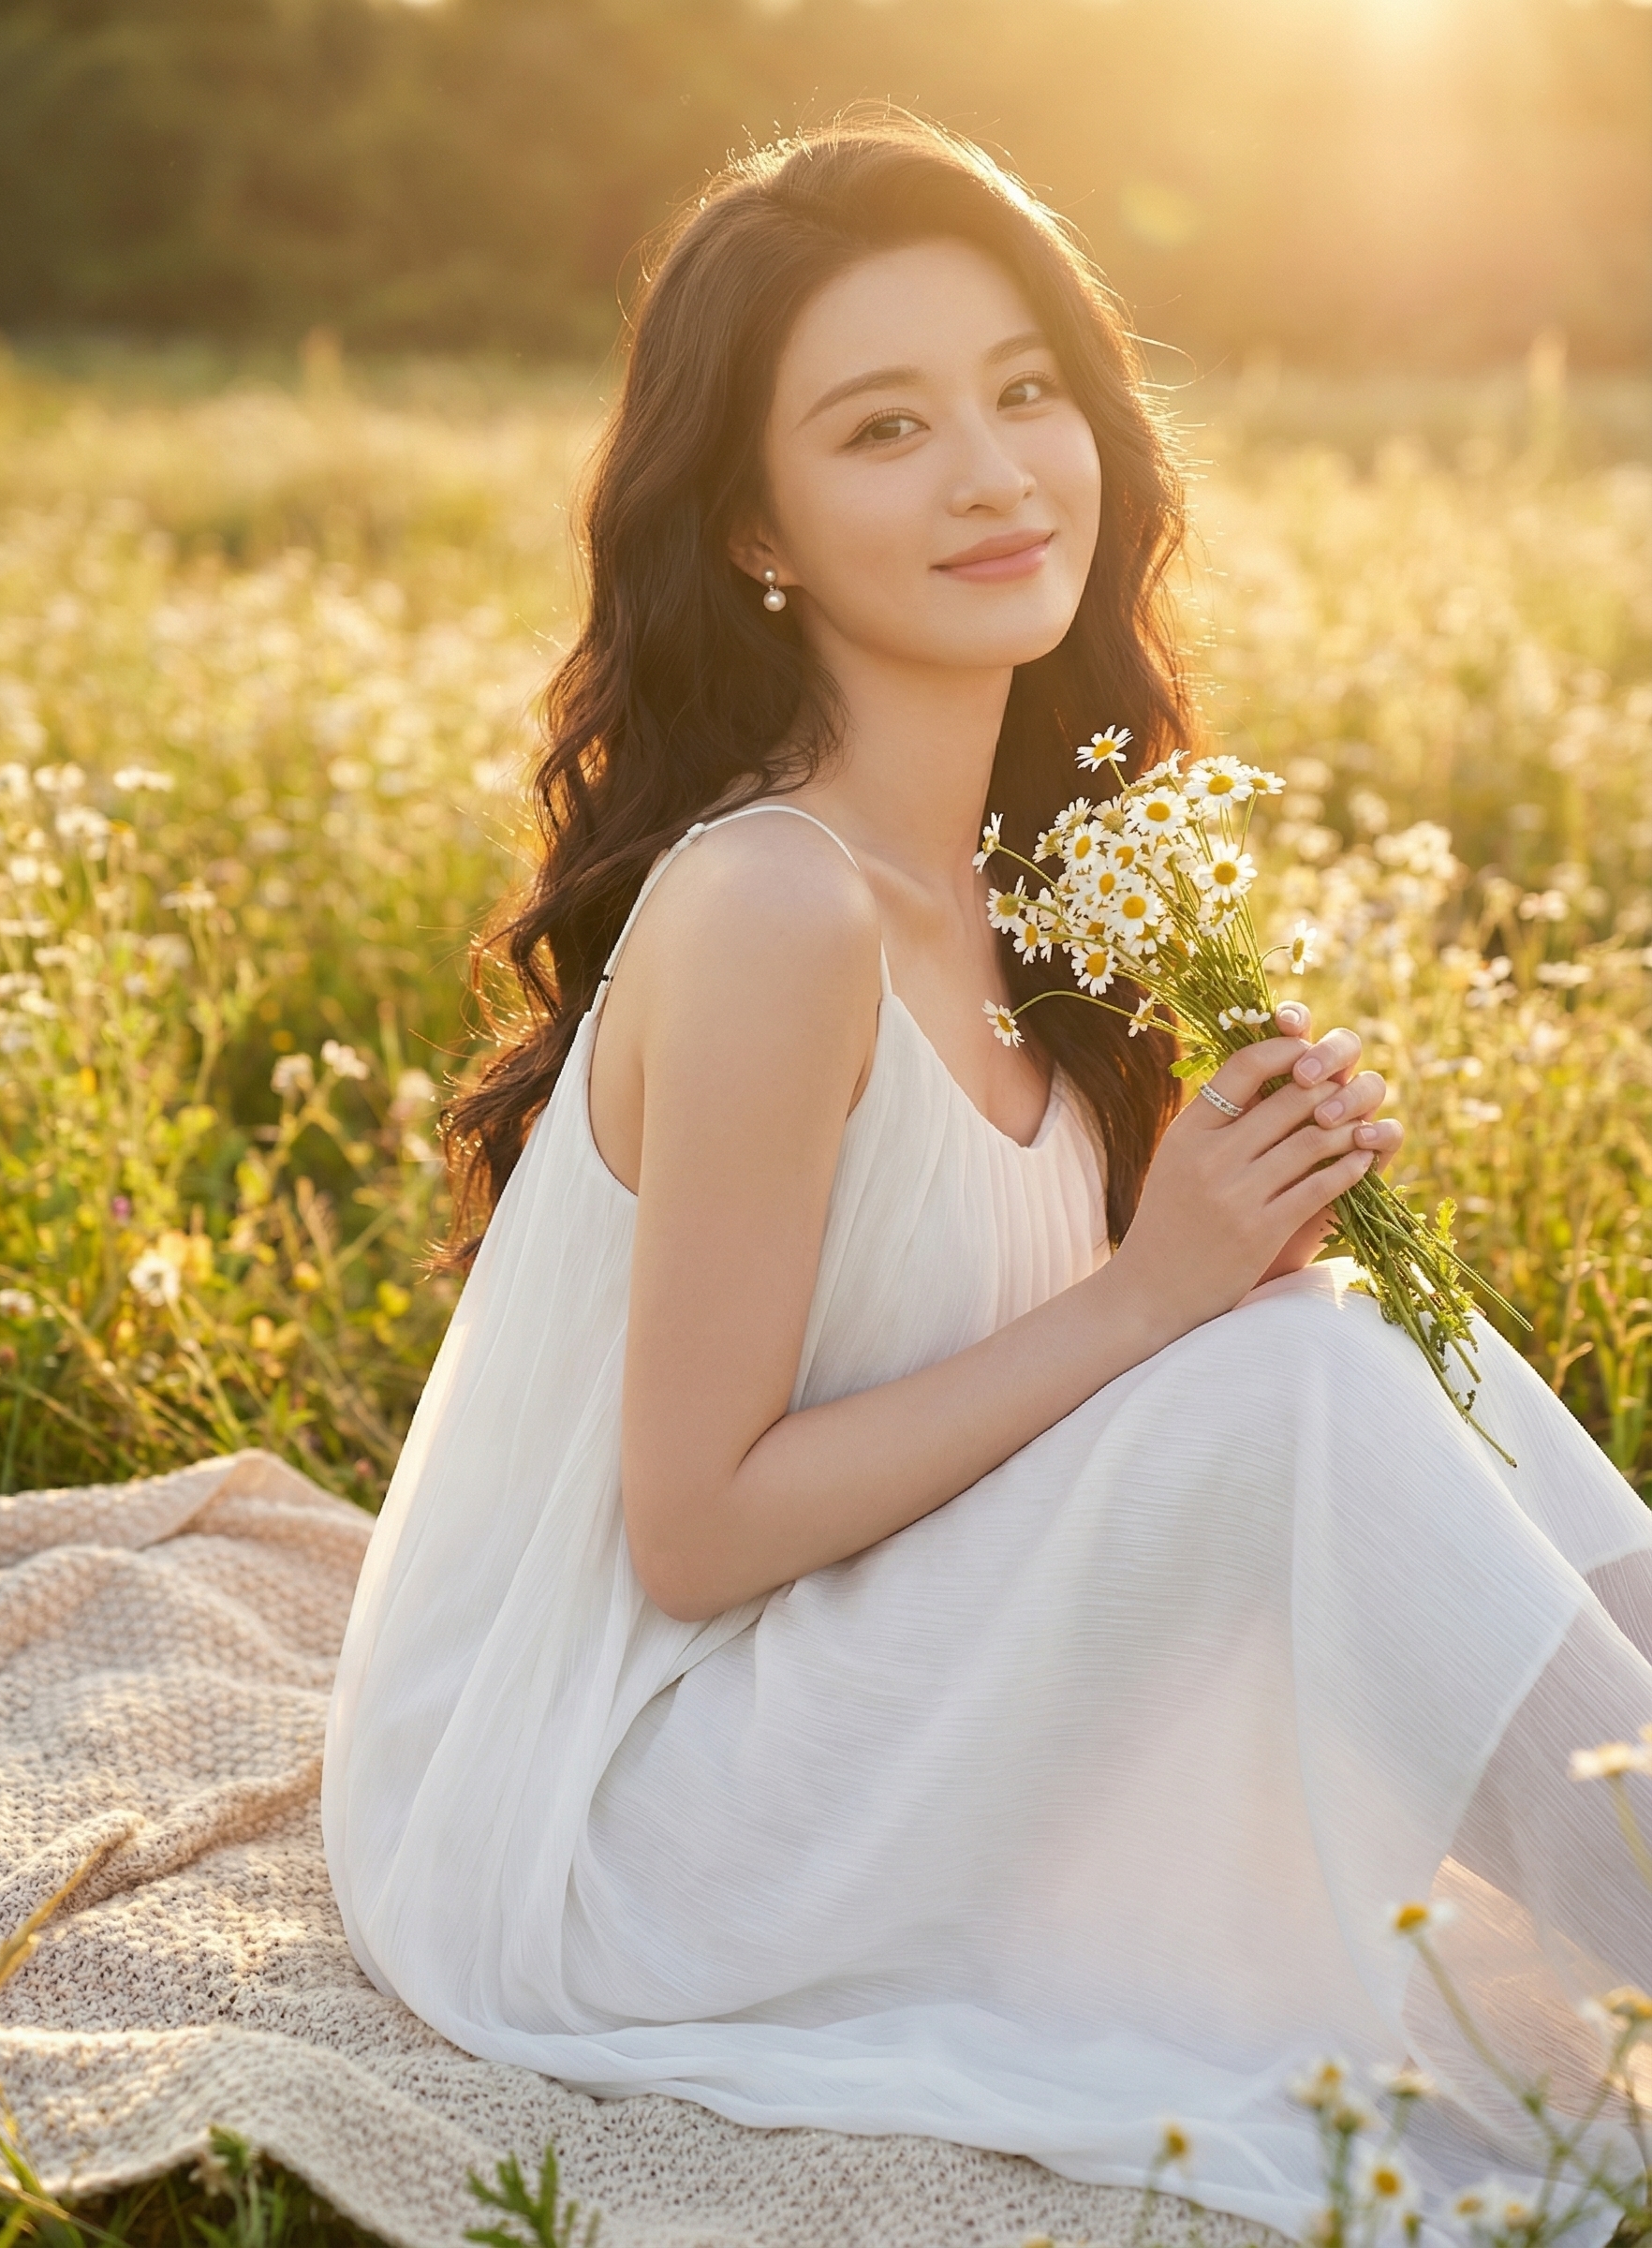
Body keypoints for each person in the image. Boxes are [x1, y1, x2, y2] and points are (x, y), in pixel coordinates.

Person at [322, 114, 1652, 2242]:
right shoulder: (772, 908)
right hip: (617, 1842)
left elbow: (1013, 1397)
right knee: (1288, 1376)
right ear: (752, 523)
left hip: (856, 1703)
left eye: (1025, 390)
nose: (992, 472)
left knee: (1361, 1335)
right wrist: (1150, 1306)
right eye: (882, 428)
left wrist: (1213, 1256)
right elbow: (696, 1529)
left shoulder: (1035, 889)